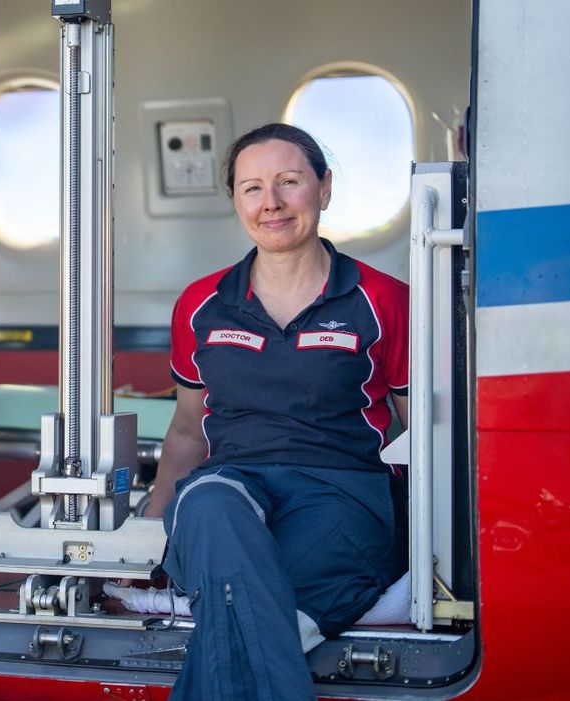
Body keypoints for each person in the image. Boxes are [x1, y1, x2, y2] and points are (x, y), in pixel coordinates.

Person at [148, 123, 409, 700]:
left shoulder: (384, 299)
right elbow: (189, 430)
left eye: (289, 182)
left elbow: (424, 435)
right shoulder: (202, 304)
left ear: (324, 187)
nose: (271, 203)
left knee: (242, 604)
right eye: (252, 188)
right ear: (236, 199)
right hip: (230, 484)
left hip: (340, 493)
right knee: (211, 505)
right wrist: (149, 529)